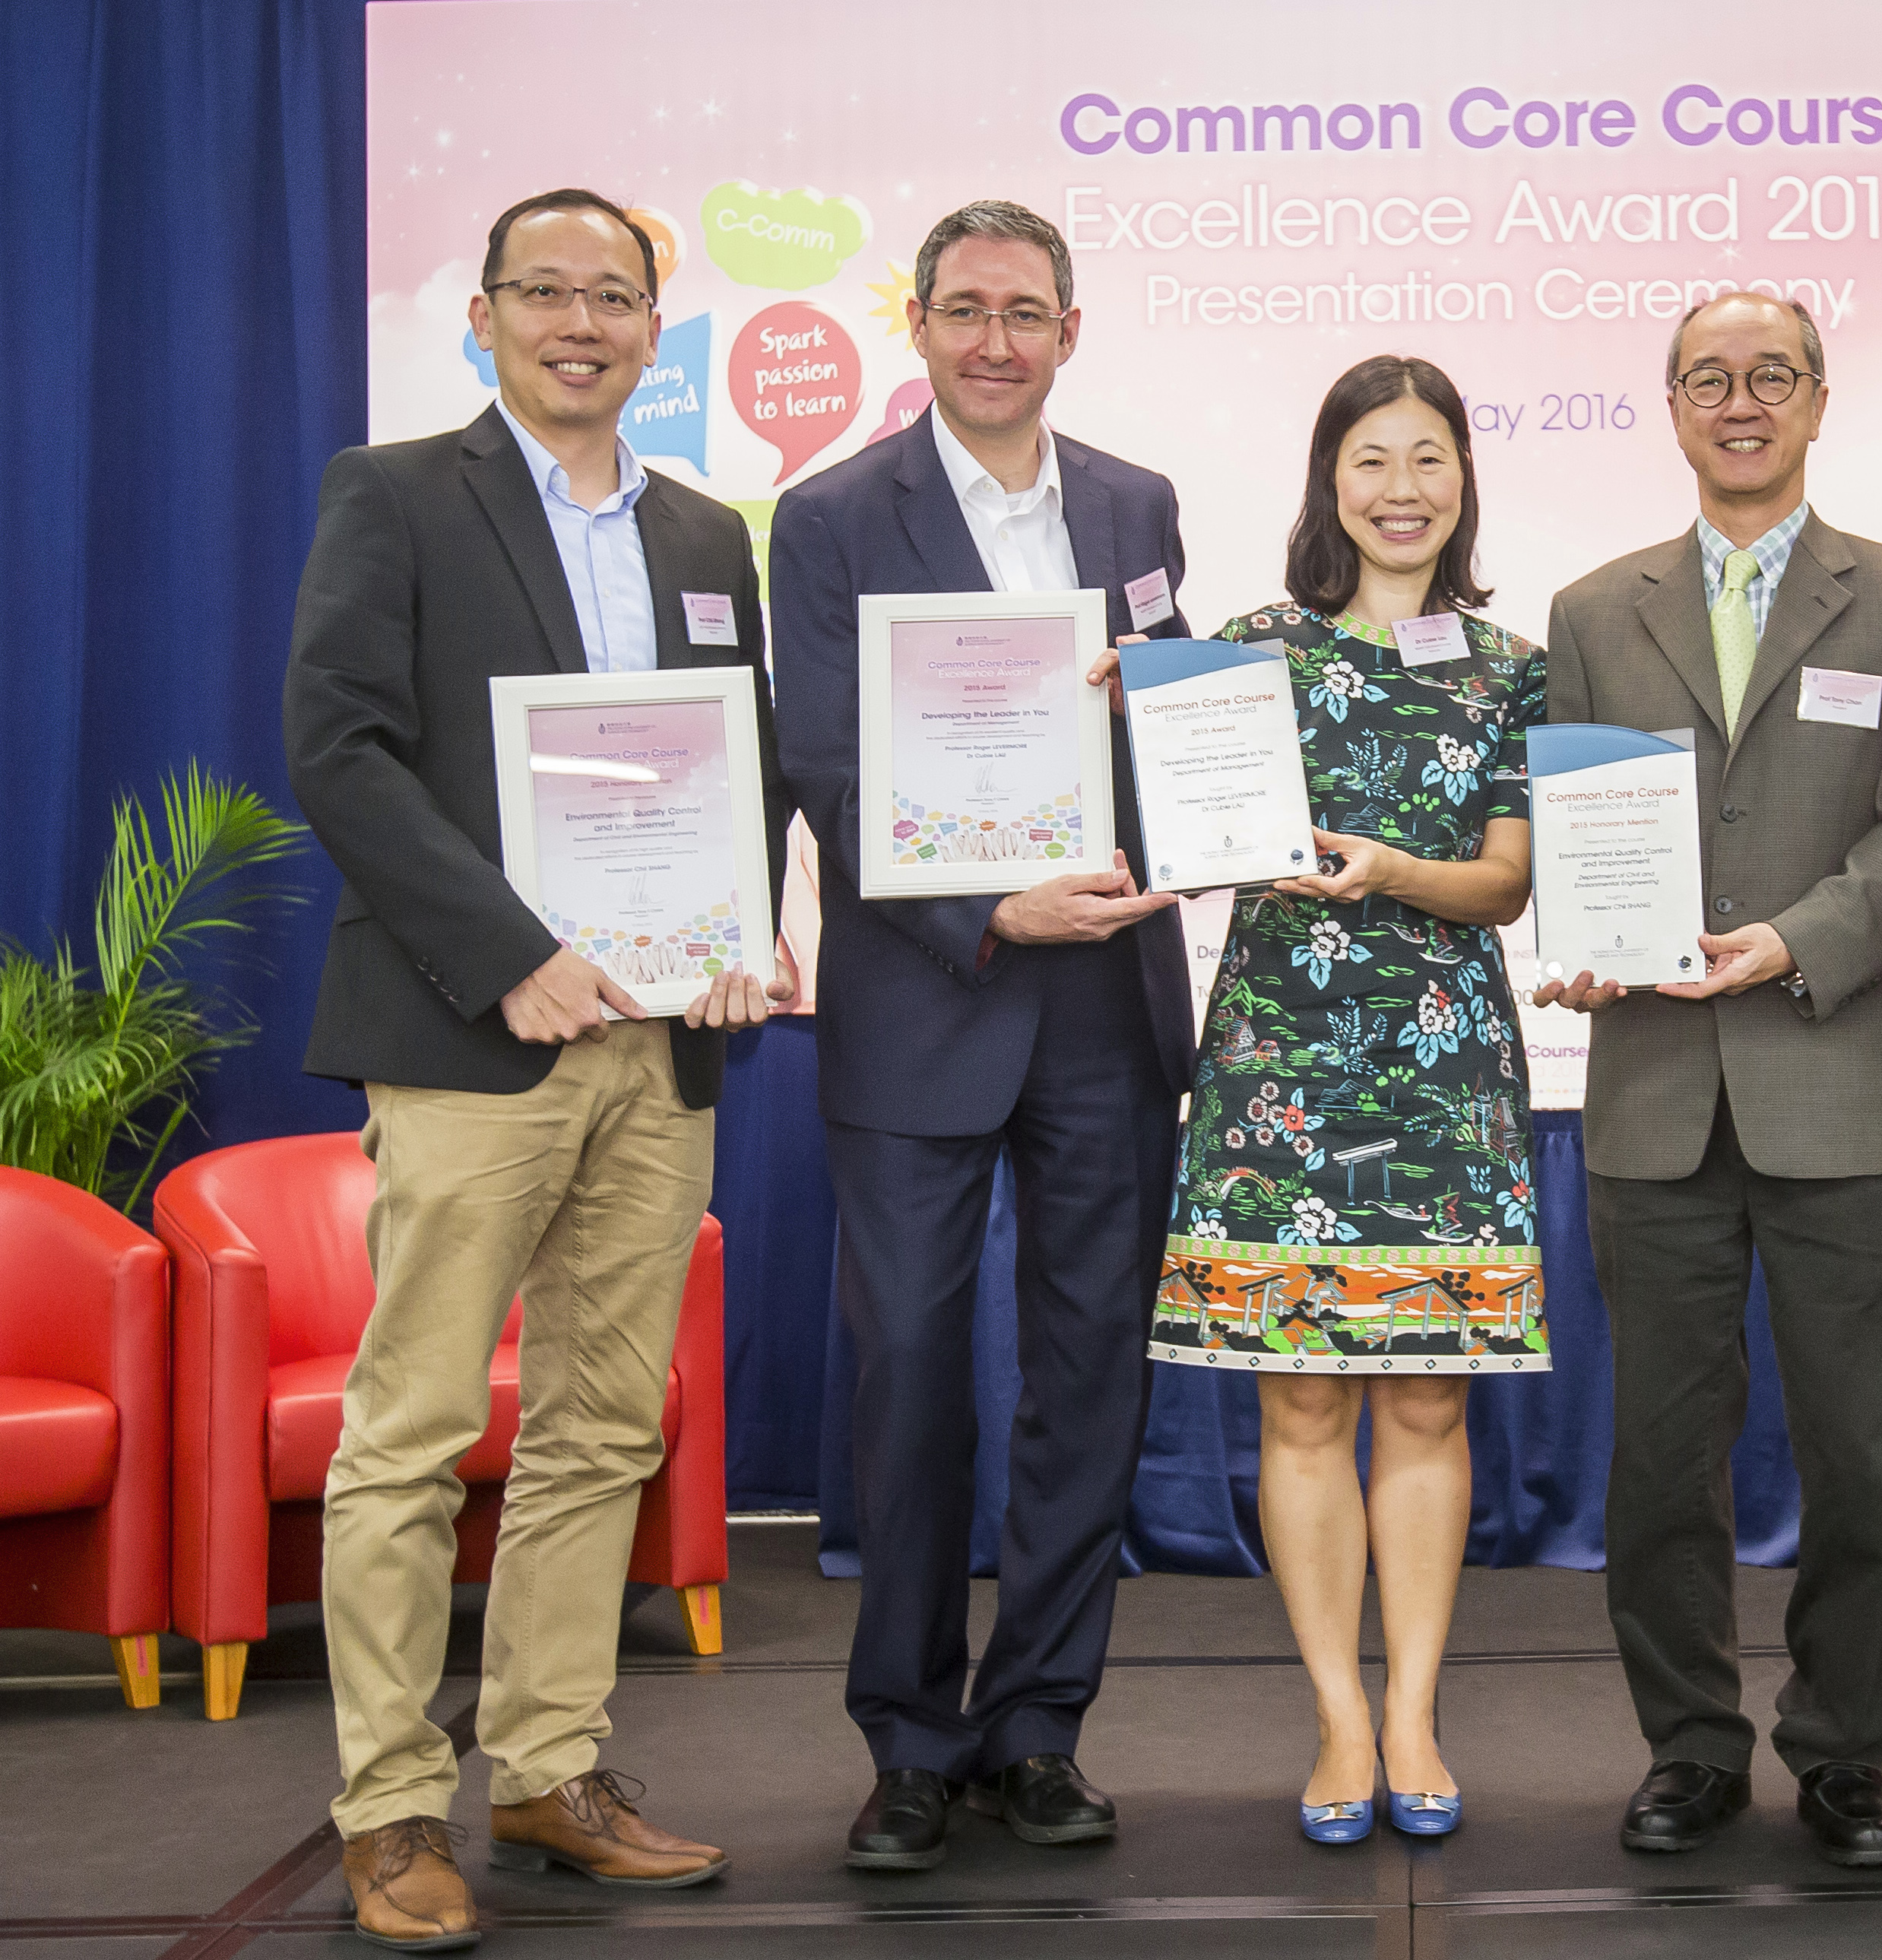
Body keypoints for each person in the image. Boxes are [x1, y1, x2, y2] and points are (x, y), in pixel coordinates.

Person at [283, 187, 791, 1951]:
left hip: (660, 1046)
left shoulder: (709, 531)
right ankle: (386, 1806)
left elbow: (737, 763)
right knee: (414, 1430)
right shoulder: (395, 493)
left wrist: (740, 928)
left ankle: (548, 1768)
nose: (582, 322)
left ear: (655, 326)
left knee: (600, 1427)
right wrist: (509, 954)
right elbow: (338, 747)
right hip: (469, 1031)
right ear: (485, 315)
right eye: (546, 291)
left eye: (613, 296)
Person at [769, 199, 1196, 1872]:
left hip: (1105, 1005)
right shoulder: (830, 516)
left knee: (1090, 1378)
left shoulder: (1135, 502)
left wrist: (1188, 740)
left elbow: (1174, 725)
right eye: (964, 310)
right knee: (913, 1380)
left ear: (1068, 330)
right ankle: (907, 1735)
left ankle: (1036, 1725)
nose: (994, 340)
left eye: (1025, 312)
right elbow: (824, 763)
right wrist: (986, 908)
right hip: (921, 999)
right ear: (921, 327)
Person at [1533, 292, 1882, 1869]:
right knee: (1659, 1459)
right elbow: (1576, 827)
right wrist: (1587, 940)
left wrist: (1794, 939)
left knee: (1858, 1453)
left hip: (1835, 1078)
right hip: (1653, 1092)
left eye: (1769, 375)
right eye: (1708, 378)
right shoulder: (1594, 609)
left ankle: (1845, 1748)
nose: (1740, 402)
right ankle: (1690, 1743)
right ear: (1669, 406)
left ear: (1816, 400)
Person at [1139, 355, 1547, 1846]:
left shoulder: (1511, 665)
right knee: (1301, 1399)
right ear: (1329, 480)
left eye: (1427, 456)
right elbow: (1188, 834)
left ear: (1463, 477)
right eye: (1370, 458)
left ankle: (1416, 1711)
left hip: (1442, 1072)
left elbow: (1505, 885)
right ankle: (1337, 1717)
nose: (1399, 488)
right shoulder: (1246, 652)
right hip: (1280, 1068)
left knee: (1428, 1398)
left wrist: (1390, 870)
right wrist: (1136, 725)